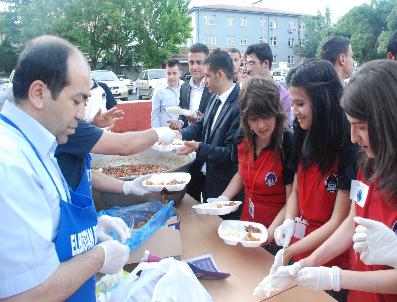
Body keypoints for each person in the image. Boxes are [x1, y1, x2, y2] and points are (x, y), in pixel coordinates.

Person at [0, 35, 129, 301]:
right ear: (39, 93)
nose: (82, 114)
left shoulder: (40, 143)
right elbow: (28, 294)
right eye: (76, 101)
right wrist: (99, 257)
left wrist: (89, 233)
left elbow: (49, 229)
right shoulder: (9, 165)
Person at [260, 59, 397, 302]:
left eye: (361, 127)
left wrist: (335, 278)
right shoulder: (370, 162)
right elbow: (352, 220)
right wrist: (309, 262)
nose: (354, 138)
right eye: (351, 126)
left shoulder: (351, 153)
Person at [267, 59, 357, 302]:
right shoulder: (303, 133)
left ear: (322, 100)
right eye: (292, 102)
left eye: (300, 103)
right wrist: (287, 222)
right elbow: (296, 189)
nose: (293, 110)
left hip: (329, 260)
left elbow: (339, 220)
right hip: (300, 247)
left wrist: (290, 253)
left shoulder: (348, 145)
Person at [209, 77, 294, 246]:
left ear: (276, 112)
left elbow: (291, 198)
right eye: (254, 119)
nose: (261, 125)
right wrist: (223, 198)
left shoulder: (288, 144)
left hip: (275, 232)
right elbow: (242, 172)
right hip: (246, 226)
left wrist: (269, 235)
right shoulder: (243, 137)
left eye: (266, 116)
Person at [178, 49, 241, 202]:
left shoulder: (240, 105)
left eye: (207, 76)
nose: (205, 81)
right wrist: (179, 135)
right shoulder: (214, 97)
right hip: (207, 181)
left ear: (219, 74)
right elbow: (201, 125)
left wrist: (199, 147)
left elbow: (231, 153)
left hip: (225, 189)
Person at [245, 43, 293, 127]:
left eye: (252, 63)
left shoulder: (282, 95)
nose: (248, 69)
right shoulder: (246, 92)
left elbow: (284, 130)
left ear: (265, 64)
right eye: (247, 64)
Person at [168, 43, 213, 130]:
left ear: (207, 63)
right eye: (191, 62)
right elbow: (183, 114)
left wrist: (203, 120)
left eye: (199, 62)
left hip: (206, 141)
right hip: (186, 138)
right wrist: (180, 123)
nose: (194, 67)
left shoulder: (215, 88)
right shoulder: (184, 87)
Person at [151, 59, 183, 127]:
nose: (171, 76)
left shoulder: (185, 88)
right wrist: (157, 133)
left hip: (183, 132)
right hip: (165, 132)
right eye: (169, 73)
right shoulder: (159, 90)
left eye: (174, 73)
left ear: (180, 73)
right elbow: (155, 115)